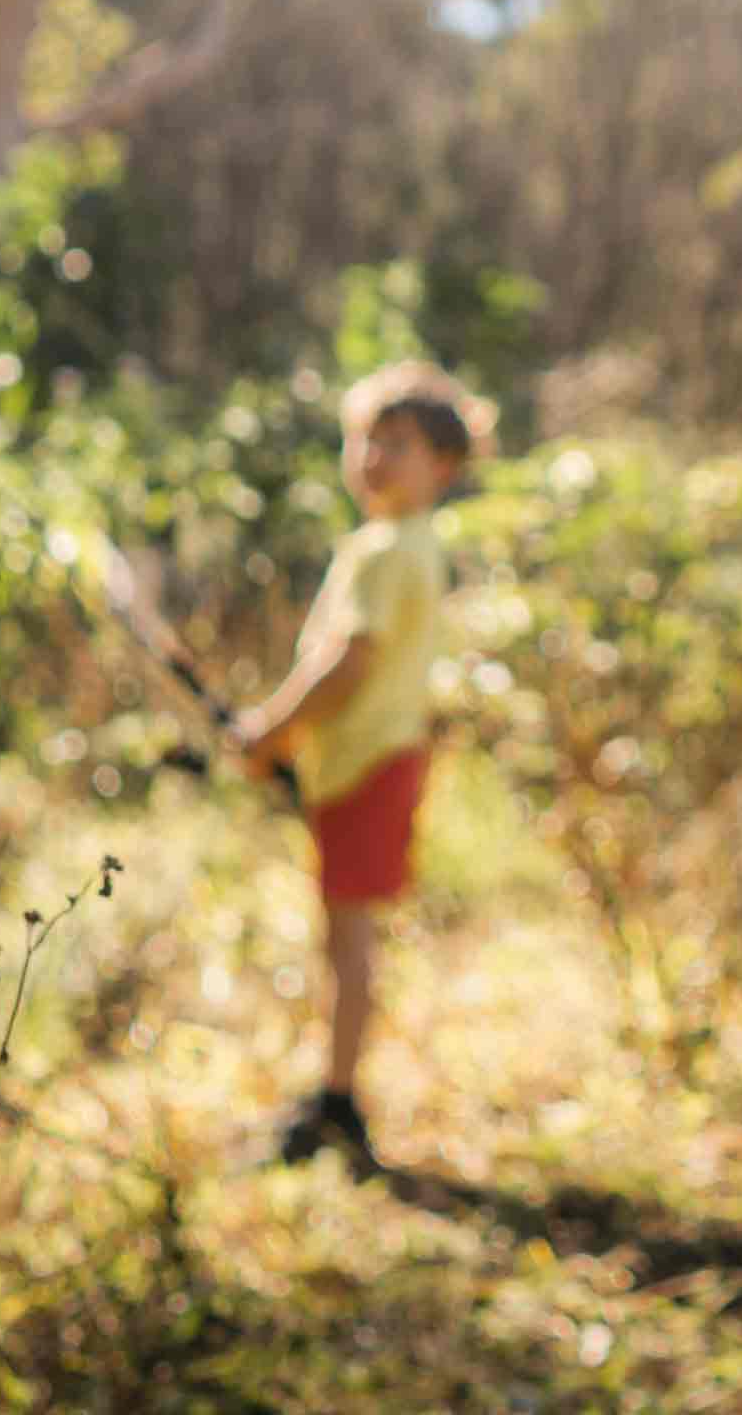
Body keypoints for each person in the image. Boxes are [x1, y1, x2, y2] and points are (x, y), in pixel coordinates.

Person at [234, 359, 489, 1173]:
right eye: (365, 440)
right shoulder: (405, 543)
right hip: (369, 763)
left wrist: (272, 730)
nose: (375, 457)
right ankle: (336, 1088)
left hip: (370, 765)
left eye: (399, 443)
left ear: (442, 465)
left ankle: (339, 1101)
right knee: (346, 934)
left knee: (348, 939)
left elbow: (347, 663)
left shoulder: (387, 551)